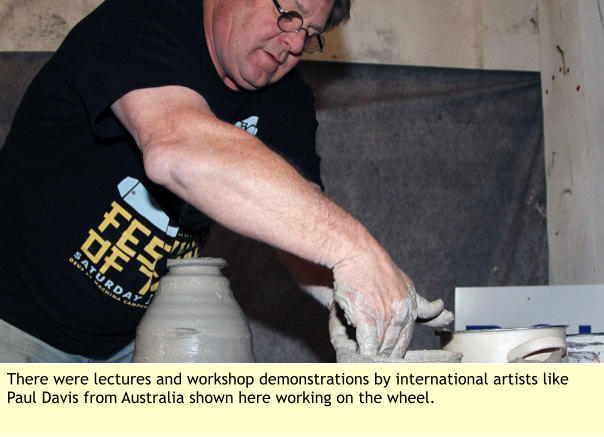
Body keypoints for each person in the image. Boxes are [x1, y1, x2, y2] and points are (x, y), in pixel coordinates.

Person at [0, 0, 452, 363]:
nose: (293, 43)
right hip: (13, 321)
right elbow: (176, 148)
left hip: (128, 342)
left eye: (310, 35)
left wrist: (343, 294)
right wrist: (357, 250)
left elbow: (299, 217)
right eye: (289, 14)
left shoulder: (286, 101)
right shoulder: (142, 19)